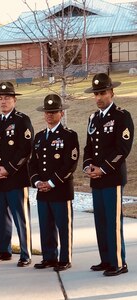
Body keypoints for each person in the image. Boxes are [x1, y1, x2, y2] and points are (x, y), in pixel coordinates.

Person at [83, 73, 134, 276]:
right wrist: (88, 167)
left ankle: (119, 262)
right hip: (96, 180)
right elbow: (88, 148)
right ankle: (106, 260)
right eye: (96, 93)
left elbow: (122, 148)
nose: (99, 97)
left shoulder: (122, 116)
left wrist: (102, 168)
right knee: (101, 221)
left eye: (102, 92)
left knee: (113, 222)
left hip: (112, 178)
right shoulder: (93, 118)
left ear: (112, 92)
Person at [29, 94, 79, 272]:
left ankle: (65, 258)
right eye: (47, 112)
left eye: (53, 112)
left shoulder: (69, 135)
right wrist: (36, 182)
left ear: (61, 113)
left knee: (63, 227)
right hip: (42, 191)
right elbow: (32, 163)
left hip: (60, 190)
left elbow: (70, 164)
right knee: (46, 226)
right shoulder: (40, 136)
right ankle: (49, 257)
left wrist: (51, 182)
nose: (49, 115)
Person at [0, 82, 33, 267]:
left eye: (7, 98)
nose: (3, 101)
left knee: (20, 218)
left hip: (16, 178)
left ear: (14, 100)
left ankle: (26, 253)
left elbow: (26, 149)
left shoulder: (22, 120)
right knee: (0, 217)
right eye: (0, 98)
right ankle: (3, 251)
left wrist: (9, 168)